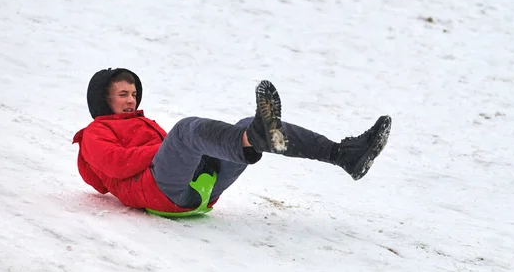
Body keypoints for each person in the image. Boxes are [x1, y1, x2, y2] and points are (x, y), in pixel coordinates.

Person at [73, 68, 391, 214]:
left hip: (202, 192)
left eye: (133, 93)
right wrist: (171, 147)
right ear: (104, 99)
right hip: (156, 194)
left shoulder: (144, 123)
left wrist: (186, 151)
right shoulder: (95, 133)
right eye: (123, 94)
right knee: (185, 131)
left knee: (244, 128)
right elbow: (114, 165)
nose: (131, 99)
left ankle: (343, 155)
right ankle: (256, 136)